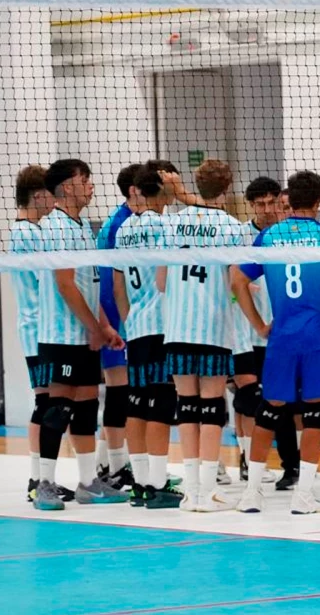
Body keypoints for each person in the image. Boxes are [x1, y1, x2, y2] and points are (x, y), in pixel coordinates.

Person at [233, 170, 320, 514]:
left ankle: (251, 494)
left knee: (269, 410)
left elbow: (236, 278)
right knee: (313, 413)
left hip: (281, 336)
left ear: (287, 200)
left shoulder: (268, 237)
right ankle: (304, 496)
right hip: (319, 334)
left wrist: (260, 325)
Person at [32, 159, 127, 511]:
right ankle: (43, 484)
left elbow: (90, 286)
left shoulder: (83, 226)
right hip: (61, 336)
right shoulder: (55, 226)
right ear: (67, 186)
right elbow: (65, 284)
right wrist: (93, 328)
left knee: (87, 404)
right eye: (85, 180)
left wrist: (104, 327)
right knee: (58, 407)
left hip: (85, 334)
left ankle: (88, 483)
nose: (91, 185)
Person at [161, 159, 246, 512]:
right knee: (212, 407)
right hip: (211, 327)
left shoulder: (171, 224)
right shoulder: (232, 228)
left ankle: (191, 490)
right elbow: (237, 282)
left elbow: (161, 281)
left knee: (187, 407)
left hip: (177, 326)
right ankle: (208, 491)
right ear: (227, 189)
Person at [115, 163, 186, 509]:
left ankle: (141, 484)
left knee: (137, 404)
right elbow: (165, 280)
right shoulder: (166, 226)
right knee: (161, 403)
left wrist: (130, 323)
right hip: (162, 324)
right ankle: (158, 484)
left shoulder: (123, 229)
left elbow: (118, 288)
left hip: (137, 328)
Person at [231, 176, 302, 490]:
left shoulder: (288, 235)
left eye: (272, 202)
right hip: (247, 334)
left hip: (283, 333)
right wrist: (240, 291)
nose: (267, 209)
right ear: (251, 206)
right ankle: (248, 462)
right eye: (260, 204)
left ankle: (291, 467)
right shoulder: (240, 236)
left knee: (285, 403)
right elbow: (227, 283)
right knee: (249, 401)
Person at [11, 165, 74, 503]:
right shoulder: (29, 235)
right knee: (46, 404)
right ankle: (37, 479)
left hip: (36, 327)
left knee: (46, 402)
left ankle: (38, 477)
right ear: (39, 196)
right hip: (39, 329)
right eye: (51, 196)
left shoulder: (27, 231)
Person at [93, 163, 143, 491]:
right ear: (134, 192)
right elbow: (112, 281)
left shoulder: (129, 220)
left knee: (123, 392)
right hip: (116, 317)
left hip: (125, 316)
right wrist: (116, 323)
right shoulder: (119, 225)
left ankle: (108, 464)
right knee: (118, 391)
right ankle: (116, 466)